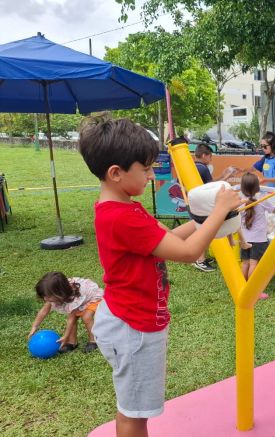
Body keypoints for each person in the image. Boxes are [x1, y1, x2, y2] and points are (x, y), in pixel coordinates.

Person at [78, 117, 243, 437]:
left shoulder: (123, 209)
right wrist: (218, 212)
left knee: (134, 408)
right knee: (134, 415)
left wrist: (209, 219)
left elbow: (169, 240)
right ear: (116, 173)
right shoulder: (123, 217)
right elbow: (189, 252)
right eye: (146, 169)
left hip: (128, 319)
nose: (152, 175)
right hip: (133, 327)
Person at [29, 272, 104, 353]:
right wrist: (34, 326)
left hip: (93, 298)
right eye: (44, 296)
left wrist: (65, 336)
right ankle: (72, 342)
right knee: (74, 317)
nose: (45, 299)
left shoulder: (72, 297)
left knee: (86, 317)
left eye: (48, 296)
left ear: (59, 293)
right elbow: (44, 311)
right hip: (80, 299)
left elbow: (71, 319)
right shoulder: (56, 294)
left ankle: (93, 341)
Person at [239, 172, 275, 299]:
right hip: (259, 239)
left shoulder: (240, 201)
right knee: (254, 264)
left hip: (244, 238)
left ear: (242, 187)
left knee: (245, 263)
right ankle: (254, 291)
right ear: (257, 186)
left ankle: (242, 287)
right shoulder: (262, 200)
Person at [192, 144, 235, 272]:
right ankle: (200, 260)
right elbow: (211, 187)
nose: (211, 159)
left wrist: (222, 176)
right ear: (204, 155)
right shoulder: (203, 168)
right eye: (210, 157)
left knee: (201, 229)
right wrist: (226, 178)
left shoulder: (195, 166)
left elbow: (209, 183)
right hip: (202, 204)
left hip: (196, 202)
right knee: (204, 230)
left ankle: (200, 257)